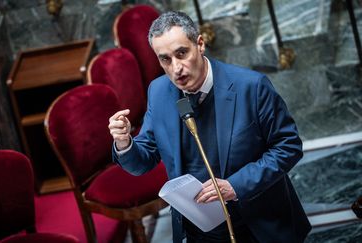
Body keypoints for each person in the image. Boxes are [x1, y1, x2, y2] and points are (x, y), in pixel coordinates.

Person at [108, 11, 311, 243]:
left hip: (256, 224)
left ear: (200, 44)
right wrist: (124, 143)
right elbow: (142, 162)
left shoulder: (251, 87)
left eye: (181, 53)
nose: (176, 69)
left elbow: (288, 146)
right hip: (199, 230)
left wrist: (235, 186)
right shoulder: (159, 92)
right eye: (165, 59)